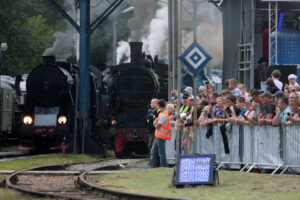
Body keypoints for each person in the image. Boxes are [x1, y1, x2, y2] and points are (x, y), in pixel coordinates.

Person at [148, 99, 171, 168]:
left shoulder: (164, 115)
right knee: (153, 151)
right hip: (157, 135)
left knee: (161, 152)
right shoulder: (161, 113)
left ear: (160, 106)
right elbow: (156, 123)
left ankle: (163, 165)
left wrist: (155, 122)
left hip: (161, 136)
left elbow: (157, 125)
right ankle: (152, 165)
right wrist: (155, 122)